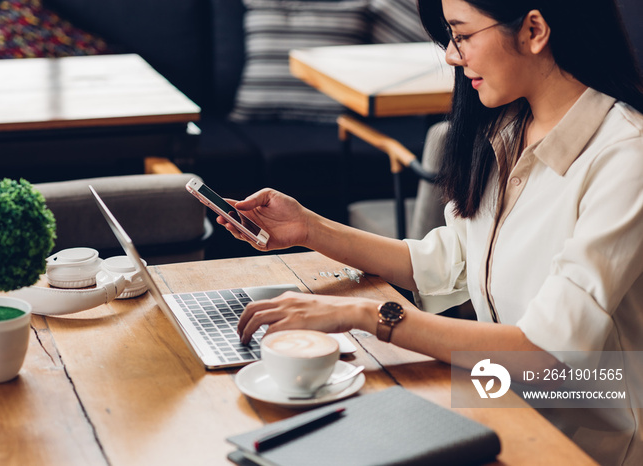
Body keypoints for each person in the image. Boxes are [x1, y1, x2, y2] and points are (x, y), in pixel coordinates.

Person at [219, 1, 643, 464]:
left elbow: (546, 354)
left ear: (534, 30)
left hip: (588, 447)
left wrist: (366, 317)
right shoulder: (509, 126)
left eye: (461, 35)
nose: (452, 57)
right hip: (502, 409)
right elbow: (446, 260)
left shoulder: (626, 158)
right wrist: (309, 227)